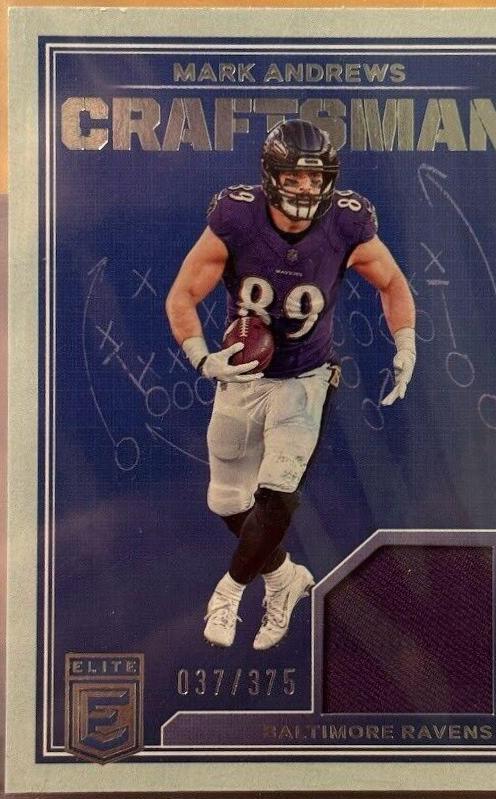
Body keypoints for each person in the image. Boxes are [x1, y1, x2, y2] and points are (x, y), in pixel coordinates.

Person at [166, 119, 416, 650]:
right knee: (227, 502)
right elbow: (182, 294)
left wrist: (406, 344)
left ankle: (229, 595)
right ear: (270, 176)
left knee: (277, 495)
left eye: (315, 177)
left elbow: (392, 282)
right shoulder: (236, 216)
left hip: (306, 376)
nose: (306, 187)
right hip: (243, 374)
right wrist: (202, 359)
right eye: (294, 176)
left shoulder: (347, 223)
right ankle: (284, 578)